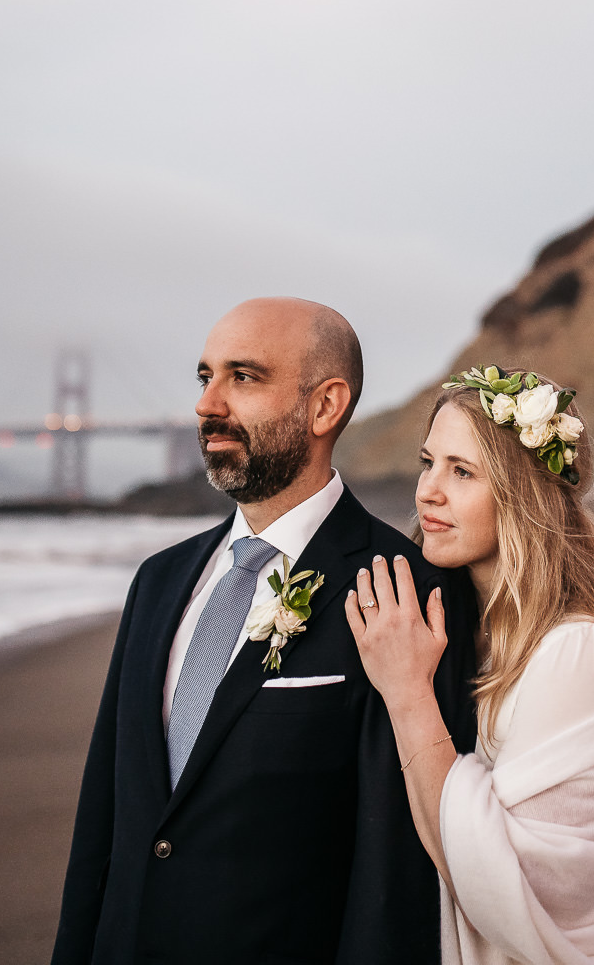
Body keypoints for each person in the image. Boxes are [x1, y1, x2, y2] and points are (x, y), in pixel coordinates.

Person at [51, 298, 480, 965]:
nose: (206, 404)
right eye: (204, 378)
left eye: (242, 378)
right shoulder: (157, 582)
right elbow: (103, 822)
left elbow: (392, 868)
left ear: (324, 407)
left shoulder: (407, 590)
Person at [345, 366, 594, 965]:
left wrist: (406, 692)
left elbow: (505, 885)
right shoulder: (468, 634)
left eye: (463, 472)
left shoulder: (580, 652)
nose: (428, 492)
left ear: (523, 496)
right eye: (428, 463)